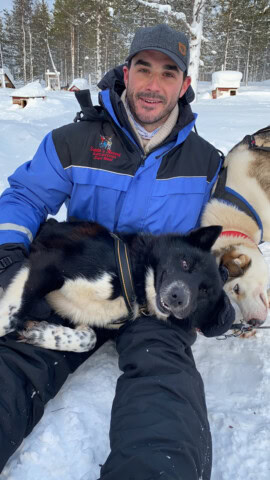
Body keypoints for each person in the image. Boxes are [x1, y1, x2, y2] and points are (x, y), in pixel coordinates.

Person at [0, 24, 234, 478]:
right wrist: (8, 251)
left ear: (185, 86)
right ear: (126, 73)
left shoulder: (207, 162)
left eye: (168, 74)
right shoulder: (75, 141)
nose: (153, 85)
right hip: (83, 278)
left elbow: (233, 233)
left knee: (165, 384)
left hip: (159, 299)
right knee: (18, 363)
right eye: (143, 68)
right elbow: (26, 197)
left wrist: (225, 291)